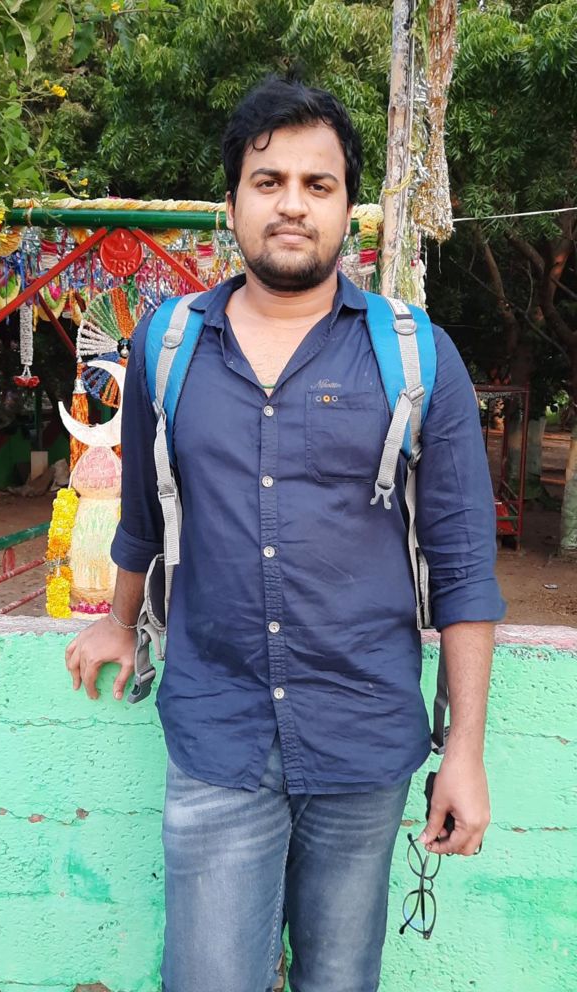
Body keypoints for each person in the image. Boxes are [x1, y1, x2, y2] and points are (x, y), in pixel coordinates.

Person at [65, 77, 505, 992]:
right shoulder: (169, 346)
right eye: (268, 182)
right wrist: (118, 620)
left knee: (338, 980)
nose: (293, 204)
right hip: (216, 736)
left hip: (364, 737)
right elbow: (144, 514)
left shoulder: (416, 354)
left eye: (318, 183)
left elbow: (463, 565)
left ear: (348, 208)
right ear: (233, 203)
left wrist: (463, 751)